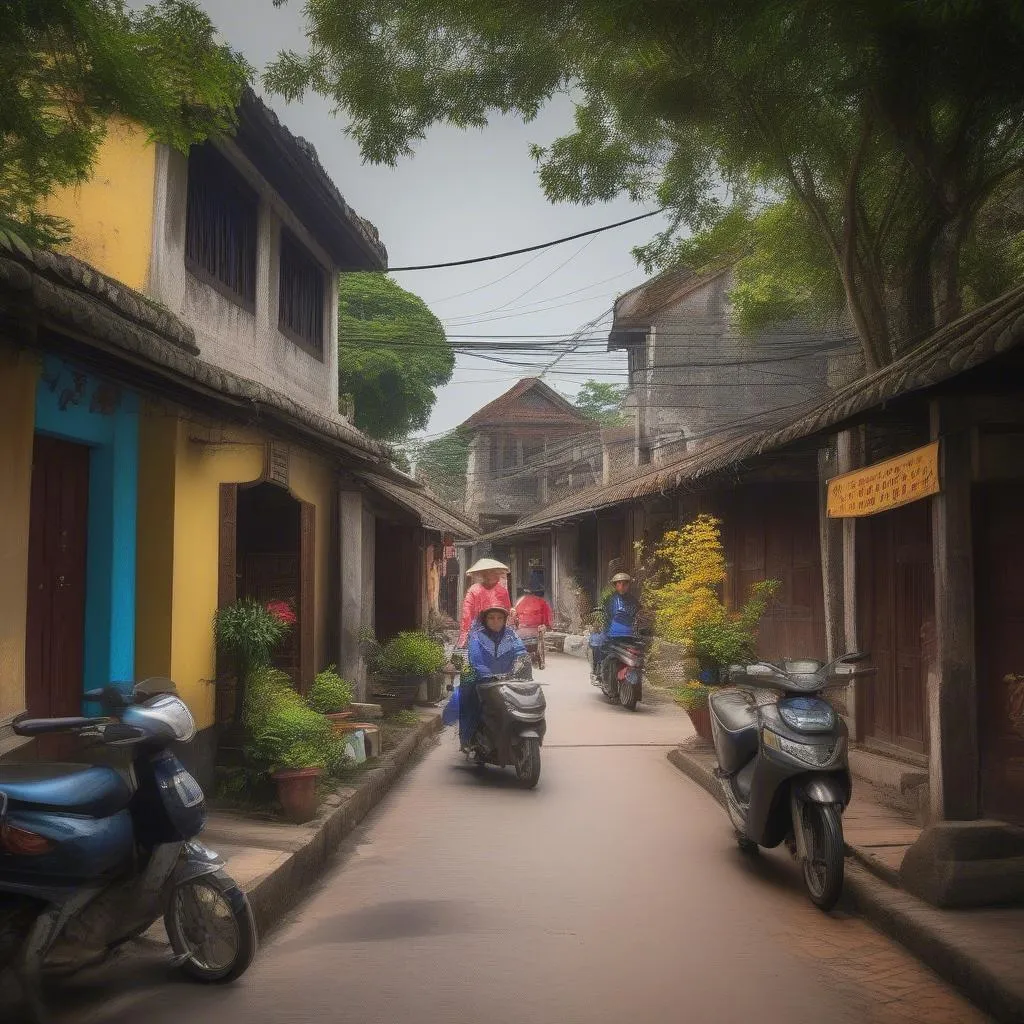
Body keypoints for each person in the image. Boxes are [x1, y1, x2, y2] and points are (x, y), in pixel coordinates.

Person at [461, 606, 528, 749]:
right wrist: (486, 674)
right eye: (491, 618)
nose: (496, 621)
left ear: (505, 620)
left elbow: (520, 650)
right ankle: (468, 737)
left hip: (508, 678)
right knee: (469, 697)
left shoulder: (511, 635)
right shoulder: (477, 636)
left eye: (500, 618)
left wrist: (522, 663)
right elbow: (476, 657)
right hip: (482, 679)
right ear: (485, 620)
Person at [591, 572, 641, 679]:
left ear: (628, 585)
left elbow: (605, 616)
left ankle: (598, 669)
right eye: (619, 583)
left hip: (616, 634)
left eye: (624, 584)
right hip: (629, 635)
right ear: (615, 585)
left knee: (597, 642)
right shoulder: (631, 600)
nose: (622, 586)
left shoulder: (612, 599)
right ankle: (600, 668)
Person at [458, 558, 516, 647]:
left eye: (497, 573)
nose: (497, 576)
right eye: (494, 573)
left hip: (497, 628)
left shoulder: (502, 591)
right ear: (484, 575)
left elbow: (507, 610)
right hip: (480, 628)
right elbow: (467, 614)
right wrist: (465, 633)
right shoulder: (474, 590)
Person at [515, 586, 553, 670]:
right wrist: (547, 625)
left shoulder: (520, 601)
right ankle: (540, 661)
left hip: (521, 630)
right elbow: (547, 619)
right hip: (536, 629)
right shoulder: (542, 602)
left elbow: (515, 617)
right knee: (541, 632)